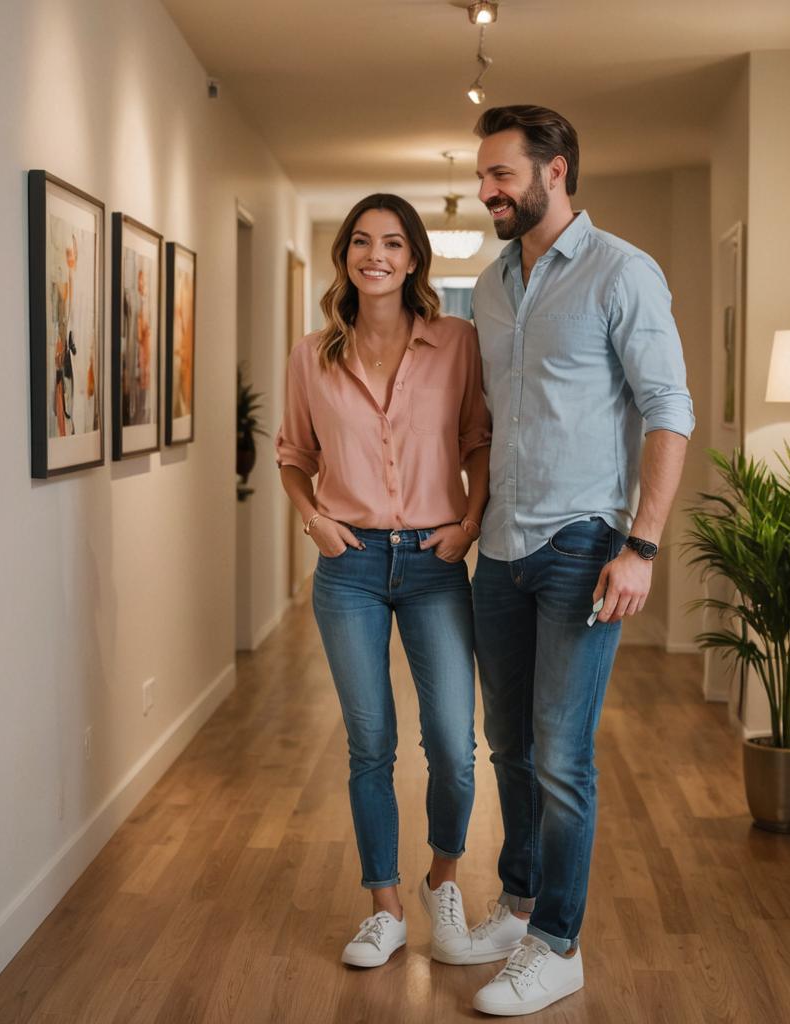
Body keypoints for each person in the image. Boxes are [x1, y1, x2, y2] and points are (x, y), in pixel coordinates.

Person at [464, 106, 694, 1016]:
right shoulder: (488, 284)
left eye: (501, 175)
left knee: (563, 755)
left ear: (555, 171)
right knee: (510, 746)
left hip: (583, 548)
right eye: (484, 176)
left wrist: (642, 545)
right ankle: (520, 906)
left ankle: (560, 943)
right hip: (500, 551)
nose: (486, 190)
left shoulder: (621, 271)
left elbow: (669, 410)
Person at [276, 193, 492, 969]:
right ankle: (384, 907)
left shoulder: (458, 341)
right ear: (345, 257)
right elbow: (292, 454)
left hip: (435, 563)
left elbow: (478, 439)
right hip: (351, 566)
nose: (377, 255)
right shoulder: (312, 355)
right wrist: (312, 519)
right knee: (371, 743)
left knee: (453, 747)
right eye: (362, 242)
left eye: (393, 243)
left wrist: (468, 524)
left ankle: (442, 881)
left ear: (413, 258)